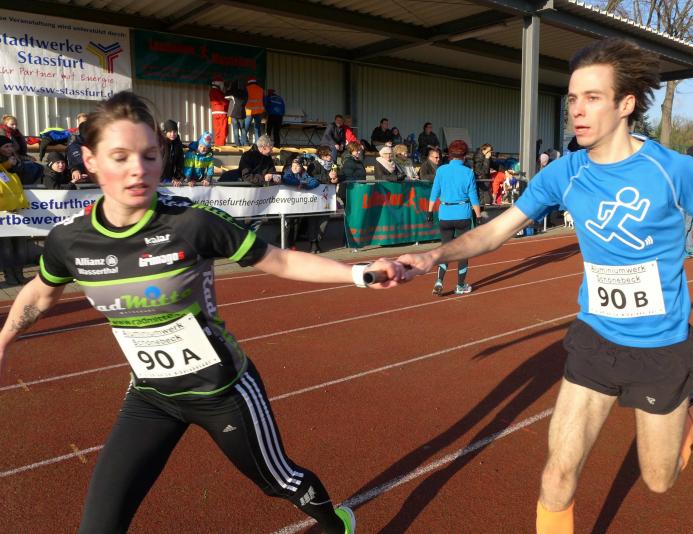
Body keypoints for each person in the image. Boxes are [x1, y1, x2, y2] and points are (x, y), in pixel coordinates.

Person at [0, 91, 405, 534]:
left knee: (281, 482)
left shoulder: (191, 222)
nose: (138, 169)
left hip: (223, 392)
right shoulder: (70, 240)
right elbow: (40, 295)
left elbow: (279, 260)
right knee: (98, 525)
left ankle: (336, 524)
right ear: (91, 160)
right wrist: (2, 342)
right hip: (151, 396)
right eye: (120, 157)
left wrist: (359, 273)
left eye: (149, 155)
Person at [397, 38, 693, 533]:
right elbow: (496, 231)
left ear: (625, 104)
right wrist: (433, 256)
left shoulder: (671, 170)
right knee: (557, 474)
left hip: (661, 349)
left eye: (592, 97)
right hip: (595, 339)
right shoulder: (564, 172)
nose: (577, 111)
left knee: (659, 480)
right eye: (571, 99)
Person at [426, 139, 480, 296]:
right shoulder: (468, 172)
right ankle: (460, 285)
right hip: (462, 214)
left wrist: (429, 212)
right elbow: (474, 197)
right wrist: (478, 217)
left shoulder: (441, 170)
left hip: (445, 214)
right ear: (464, 156)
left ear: (449, 155)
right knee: (463, 252)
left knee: (445, 249)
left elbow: (434, 193)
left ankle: (439, 281)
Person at [0, 153, 30, 285]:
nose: (13, 159)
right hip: (4, 215)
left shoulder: (15, 171)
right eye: (6, 147)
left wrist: (16, 164)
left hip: (19, 214)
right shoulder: (3, 170)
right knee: (6, 248)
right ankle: (10, 275)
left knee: (21, 247)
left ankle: (19, 273)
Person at [307, 146, 339, 253]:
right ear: (322, 155)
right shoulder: (314, 164)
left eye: (330, 154)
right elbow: (311, 177)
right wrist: (327, 177)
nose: (330, 157)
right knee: (313, 220)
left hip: (327, 197)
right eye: (327, 155)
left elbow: (339, 176)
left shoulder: (333, 165)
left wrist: (336, 179)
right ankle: (313, 243)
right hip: (315, 196)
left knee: (324, 220)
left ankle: (317, 240)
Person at [340, 141, 366, 207]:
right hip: (350, 192)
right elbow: (349, 178)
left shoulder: (358, 162)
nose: (359, 152)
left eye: (359, 150)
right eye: (357, 151)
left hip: (357, 191)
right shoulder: (348, 161)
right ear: (351, 151)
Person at [161, 119, 185, 185]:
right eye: (170, 132)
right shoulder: (160, 143)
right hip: (157, 178)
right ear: (165, 132)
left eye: (175, 131)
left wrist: (177, 177)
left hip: (169, 178)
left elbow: (180, 162)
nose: (173, 134)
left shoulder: (178, 144)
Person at [225, 80, 248, 147]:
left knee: (235, 129)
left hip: (234, 113)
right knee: (243, 129)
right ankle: (245, 143)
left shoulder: (233, 93)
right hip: (242, 113)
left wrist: (229, 89)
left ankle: (238, 144)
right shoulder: (244, 93)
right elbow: (246, 100)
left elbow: (225, 97)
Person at [245, 77, 265, 144]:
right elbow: (263, 100)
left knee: (245, 128)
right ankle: (258, 144)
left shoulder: (247, 89)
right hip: (259, 111)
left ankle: (244, 143)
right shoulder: (261, 89)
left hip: (249, 111)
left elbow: (244, 99)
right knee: (257, 128)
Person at [209, 76, 228, 147]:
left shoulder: (211, 91)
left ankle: (217, 144)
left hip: (215, 112)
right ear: (219, 83)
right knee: (223, 130)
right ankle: (221, 145)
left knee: (217, 130)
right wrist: (229, 101)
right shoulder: (217, 91)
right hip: (222, 112)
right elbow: (223, 101)